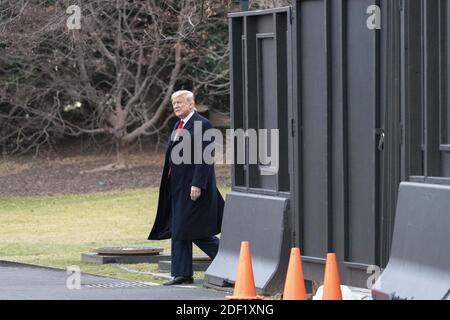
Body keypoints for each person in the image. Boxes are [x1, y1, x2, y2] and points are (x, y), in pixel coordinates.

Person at [148, 90, 224, 285]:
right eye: (173, 103)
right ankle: (182, 273)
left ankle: (233, 261)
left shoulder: (202, 124)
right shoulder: (178, 125)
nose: (176, 105)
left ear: (191, 104)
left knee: (197, 231)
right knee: (178, 228)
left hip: (195, 187)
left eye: (180, 102)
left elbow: (205, 157)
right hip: (177, 188)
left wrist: (197, 183)